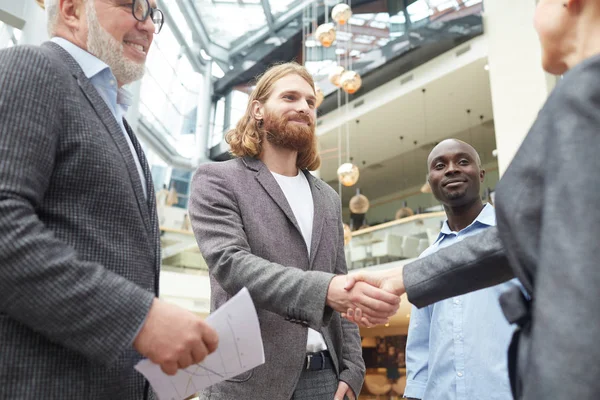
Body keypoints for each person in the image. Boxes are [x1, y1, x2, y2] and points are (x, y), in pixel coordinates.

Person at [345, 0, 600, 398]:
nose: (531, 20)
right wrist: (402, 279)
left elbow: (521, 234)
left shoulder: (586, 98)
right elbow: (525, 236)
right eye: (439, 165)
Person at [0, 0, 218, 398]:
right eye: (134, 6)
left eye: (155, 14)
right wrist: (139, 320)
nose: (150, 26)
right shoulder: (33, 67)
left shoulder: (118, 119)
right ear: (70, 10)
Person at [188, 62, 399, 400]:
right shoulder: (218, 179)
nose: (303, 107)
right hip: (248, 379)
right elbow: (231, 265)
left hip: (325, 378)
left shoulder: (327, 197)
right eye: (289, 97)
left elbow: (339, 279)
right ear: (258, 109)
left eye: (310, 102)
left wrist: (353, 368)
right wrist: (325, 290)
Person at [403, 139, 516, 400]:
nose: (451, 169)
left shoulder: (515, 239)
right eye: (440, 166)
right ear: (430, 181)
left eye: (463, 161)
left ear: (481, 173)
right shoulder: (427, 260)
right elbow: (420, 344)